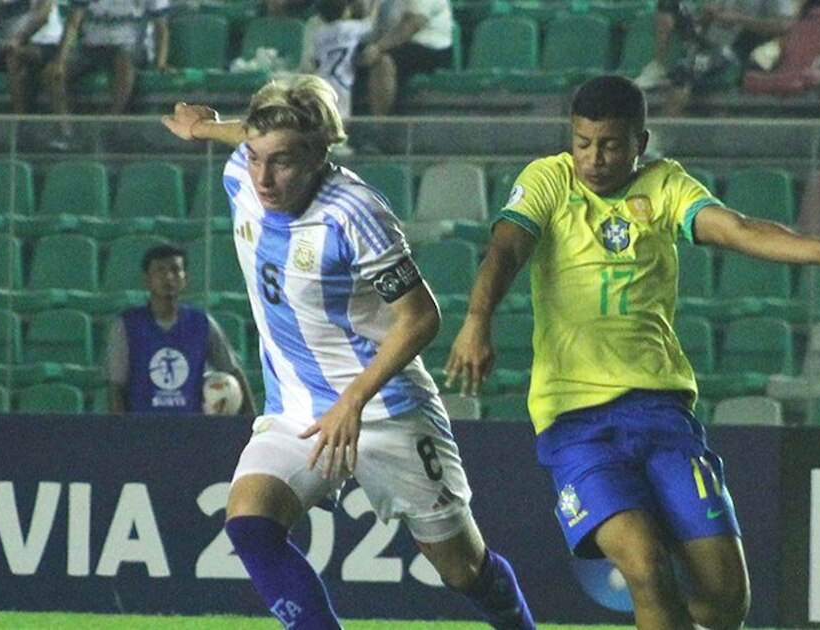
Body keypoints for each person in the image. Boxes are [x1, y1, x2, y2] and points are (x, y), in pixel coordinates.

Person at [445, 75, 820, 629]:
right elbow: (505, 248)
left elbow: (736, 228)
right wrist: (477, 320)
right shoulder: (548, 181)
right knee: (645, 566)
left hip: (663, 415)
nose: (594, 158)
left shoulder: (665, 185)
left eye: (610, 145)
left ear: (639, 143)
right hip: (576, 422)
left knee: (726, 598)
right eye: (583, 143)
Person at [160, 74, 536, 630]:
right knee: (250, 525)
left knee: (464, 570)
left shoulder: (354, 214)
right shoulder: (243, 167)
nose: (263, 175)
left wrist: (353, 401)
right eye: (257, 156)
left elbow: (421, 317)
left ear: (317, 154)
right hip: (298, 412)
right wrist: (205, 128)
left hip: (384, 409)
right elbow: (255, 133)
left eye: (282, 162)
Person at [106, 243, 256, 417]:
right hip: (142, 429)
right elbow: (116, 386)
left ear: (185, 279)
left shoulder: (202, 324)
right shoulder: (126, 325)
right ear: (147, 278)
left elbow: (232, 370)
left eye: (175, 270)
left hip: (192, 430)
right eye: (160, 270)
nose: (168, 277)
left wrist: (251, 421)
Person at [45, 0, 170, 148]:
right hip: (91, 48)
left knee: (123, 61)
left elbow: (161, 28)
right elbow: (73, 23)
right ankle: (65, 131)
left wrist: (160, 63)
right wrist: (60, 60)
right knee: (51, 71)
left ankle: (113, 124)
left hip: (130, 48)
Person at [658, 0, 798, 116]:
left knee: (686, 71)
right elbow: (704, 23)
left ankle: (660, 135)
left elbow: (783, 26)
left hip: (743, 51)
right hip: (709, 47)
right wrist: (707, 15)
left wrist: (738, 19)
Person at [358, 0, 453, 115]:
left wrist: (378, 48)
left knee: (384, 61)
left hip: (430, 47)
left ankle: (380, 125)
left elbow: (414, 23)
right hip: (399, 44)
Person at [302, 0, 372, 117]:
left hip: (323, 78)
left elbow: (312, 62)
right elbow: (371, 24)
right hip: (342, 79)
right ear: (346, 10)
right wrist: (376, 6)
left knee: (323, 115)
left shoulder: (319, 33)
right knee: (341, 117)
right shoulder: (351, 28)